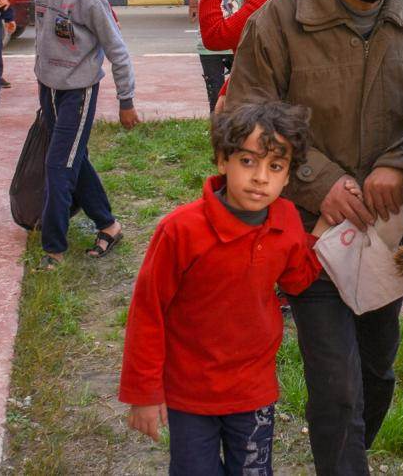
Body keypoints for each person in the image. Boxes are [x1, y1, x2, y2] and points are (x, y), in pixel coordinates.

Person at [224, 0, 403, 474]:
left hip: (388, 234)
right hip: (311, 236)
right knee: (336, 384)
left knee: (376, 371)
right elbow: (242, 120)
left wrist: (398, 161)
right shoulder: (280, 20)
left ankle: (352, 454)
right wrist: (318, 181)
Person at [120, 101, 323, 475]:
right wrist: (143, 393)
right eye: (248, 161)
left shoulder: (287, 220)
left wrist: (323, 237)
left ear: (288, 176)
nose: (260, 177)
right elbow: (148, 312)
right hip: (189, 393)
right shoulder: (180, 231)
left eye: (275, 166)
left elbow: (297, 278)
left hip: (253, 389)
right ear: (222, 160)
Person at [26, 0, 139, 269]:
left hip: (78, 93)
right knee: (75, 159)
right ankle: (109, 225)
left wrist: (126, 100)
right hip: (49, 88)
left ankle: (54, 249)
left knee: (58, 166)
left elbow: (117, 50)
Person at [184, 0, 246, 112]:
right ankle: (217, 126)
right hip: (209, 47)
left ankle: (237, 125)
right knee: (215, 95)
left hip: (234, 43)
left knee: (239, 93)